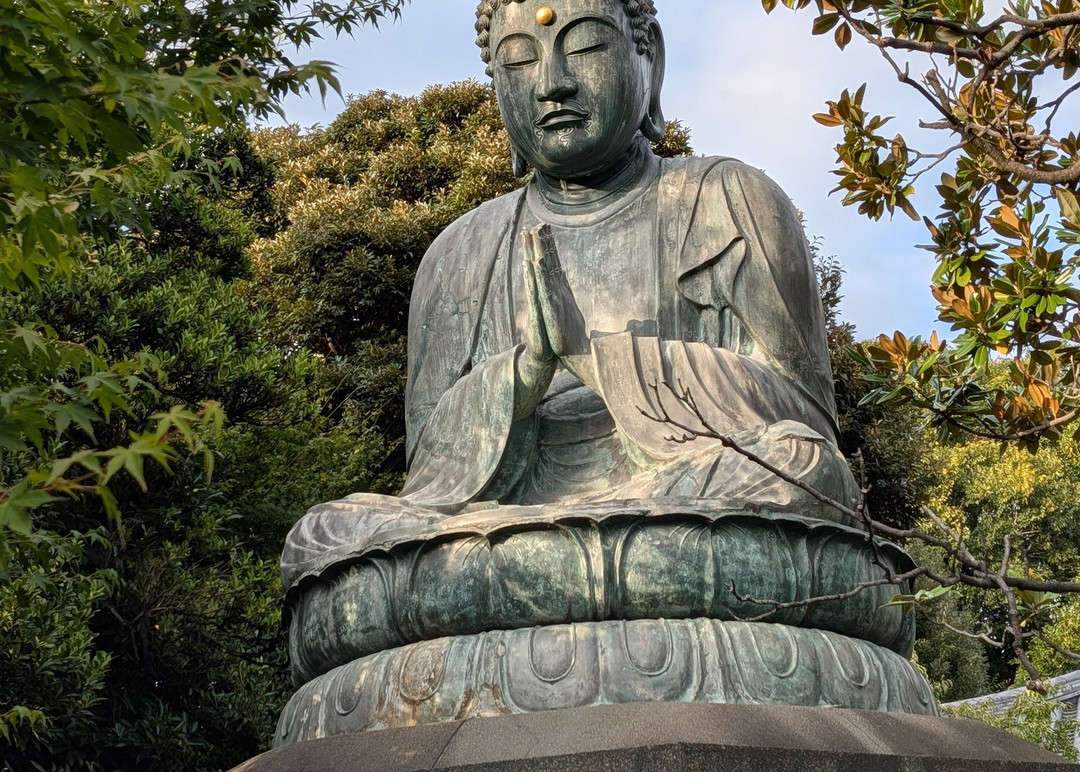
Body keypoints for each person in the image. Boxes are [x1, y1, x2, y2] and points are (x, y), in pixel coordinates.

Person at [280, 0, 860, 588]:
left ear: (650, 61)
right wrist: (525, 372)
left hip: (685, 490)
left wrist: (593, 356)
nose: (551, 84)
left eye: (586, 47)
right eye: (518, 61)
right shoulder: (458, 251)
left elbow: (800, 413)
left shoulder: (727, 199)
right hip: (509, 516)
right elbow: (432, 471)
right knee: (322, 536)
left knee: (802, 467)